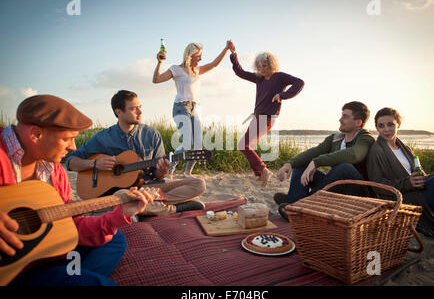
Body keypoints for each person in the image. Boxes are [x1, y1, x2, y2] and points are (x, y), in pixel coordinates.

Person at [0, 94, 152, 286]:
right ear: (36, 134)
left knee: (115, 240)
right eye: (67, 139)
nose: (73, 147)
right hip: (10, 267)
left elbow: (68, 227)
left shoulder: (54, 170)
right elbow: (75, 161)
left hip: (39, 254)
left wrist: (119, 215)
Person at [66, 90, 206, 216]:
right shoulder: (103, 138)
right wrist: (95, 163)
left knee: (198, 184)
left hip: (148, 188)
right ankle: (174, 208)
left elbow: (159, 175)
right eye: (133, 109)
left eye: (140, 107)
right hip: (121, 193)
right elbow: (71, 161)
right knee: (121, 195)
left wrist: (162, 171)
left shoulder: (152, 134)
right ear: (118, 112)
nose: (140, 112)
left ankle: (142, 209)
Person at [275, 101, 375, 220]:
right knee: (301, 167)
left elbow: (354, 155)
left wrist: (317, 162)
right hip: (336, 188)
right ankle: (293, 205)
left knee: (344, 167)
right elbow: (315, 151)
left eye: (345, 116)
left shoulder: (365, 138)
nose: (340, 119)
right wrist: (290, 163)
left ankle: (301, 207)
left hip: (357, 192)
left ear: (358, 122)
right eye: (341, 115)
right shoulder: (336, 138)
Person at [228, 41, 304, 187]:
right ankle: (260, 173)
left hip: (268, 117)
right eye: (259, 66)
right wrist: (234, 54)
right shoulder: (259, 78)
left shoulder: (279, 77)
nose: (262, 69)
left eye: (265, 66)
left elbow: (299, 82)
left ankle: (263, 170)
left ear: (271, 65)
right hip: (258, 116)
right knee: (245, 145)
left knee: (243, 145)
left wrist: (283, 95)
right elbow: (240, 72)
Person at [153, 41, 233, 178]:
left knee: (198, 146)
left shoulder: (197, 71)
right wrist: (159, 62)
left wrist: (226, 49)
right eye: (198, 56)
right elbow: (156, 80)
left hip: (195, 108)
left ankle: (187, 172)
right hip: (181, 107)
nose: (201, 59)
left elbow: (214, 64)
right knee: (187, 144)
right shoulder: (175, 69)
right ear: (190, 56)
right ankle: (170, 168)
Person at [367, 107, 434, 237]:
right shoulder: (377, 150)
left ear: (398, 124)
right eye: (381, 126)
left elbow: (419, 172)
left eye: (390, 124)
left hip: (421, 189)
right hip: (411, 200)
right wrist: (407, 183)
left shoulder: (405, 148)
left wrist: (424, 177)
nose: (386, 129)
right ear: (377, 128)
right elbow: (376, 184)